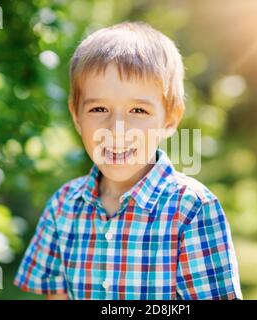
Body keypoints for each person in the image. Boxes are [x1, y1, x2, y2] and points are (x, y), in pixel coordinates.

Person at [14, 21, 242, 300]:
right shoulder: (63, 207)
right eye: (99, 109)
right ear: (76, 116)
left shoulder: (191, 209)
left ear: (170, 119)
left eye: (138, 110)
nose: (116, 129)